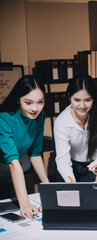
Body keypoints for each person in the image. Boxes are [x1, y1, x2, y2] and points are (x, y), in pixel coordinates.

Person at [0, 75, 49, 218]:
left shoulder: (39, 116)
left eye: (40, 102)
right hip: (10, 167)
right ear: (18, 100)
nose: (35, 108)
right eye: (28, 102)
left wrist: (47, 187)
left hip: (11, 173)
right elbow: (14, 162)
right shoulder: (4, 119)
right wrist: (25, 204)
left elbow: (35, 154)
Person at [54, 75, 97, 187]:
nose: (82, 106)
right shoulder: (61, 122)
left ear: (94, 98)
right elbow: (63, 161)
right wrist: (72, 185)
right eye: (77, 100)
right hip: (69, 168)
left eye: (87, 100)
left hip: (93, 167)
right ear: (69, 97)